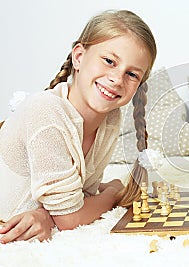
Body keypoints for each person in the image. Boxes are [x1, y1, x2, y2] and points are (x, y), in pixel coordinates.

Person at [0, 9, 157, 243]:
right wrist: (114, 191)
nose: (117, 79)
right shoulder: (46, 111)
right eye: (109, 61)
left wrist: (48, 215)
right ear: (79, 57)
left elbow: (82, 198)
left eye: (132, 74)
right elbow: (71, 218)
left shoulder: (111, 118)